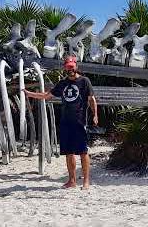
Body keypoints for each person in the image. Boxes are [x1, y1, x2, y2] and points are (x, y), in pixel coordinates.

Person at [24, 56, 98, 189]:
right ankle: (72, 181)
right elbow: (47, 95)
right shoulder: (62, 84)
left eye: (72, 66)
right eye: (68, 67)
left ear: (76, 67)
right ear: (65, 68)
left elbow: (91, 99)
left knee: (83, 152)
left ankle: (86, 181)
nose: (70, 69)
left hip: (80, 122)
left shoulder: (84, 81)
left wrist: (95, 115)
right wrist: (30, 94)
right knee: (69, 153)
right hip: (65, 122)